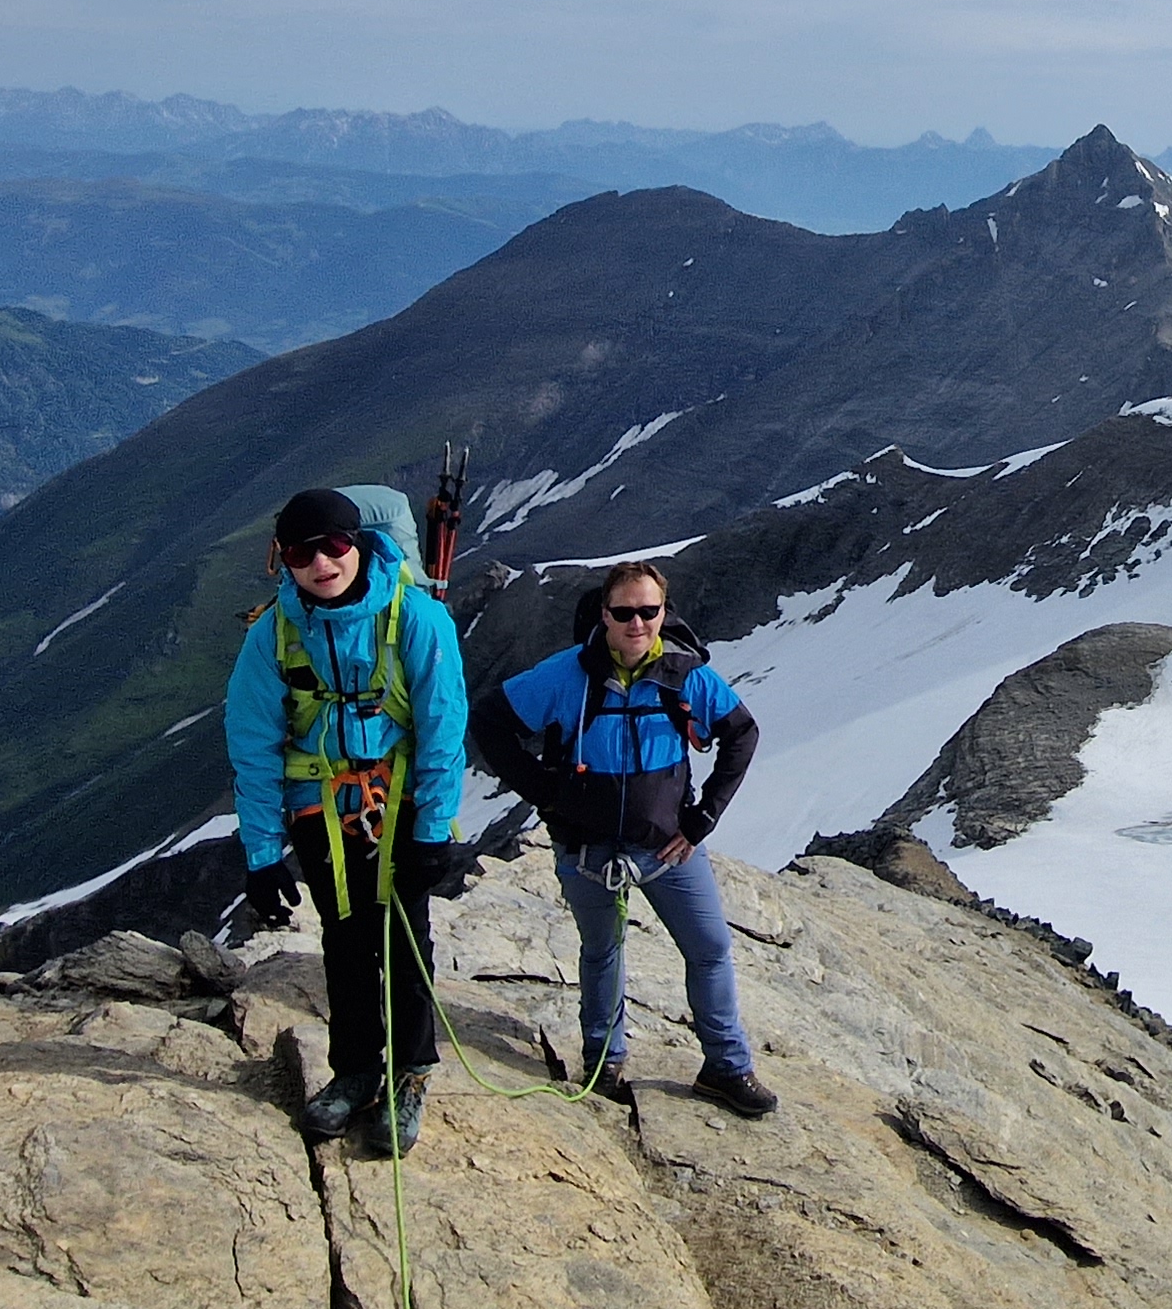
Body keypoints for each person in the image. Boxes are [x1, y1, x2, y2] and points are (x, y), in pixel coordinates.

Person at [469, 559, 776, 1117]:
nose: (637, 624)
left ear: (664, 612)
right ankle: (604, 1059)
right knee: (604, 949)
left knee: (709, 948)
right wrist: (544, 790)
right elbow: (490, 720)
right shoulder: (568, 676)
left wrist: (702, 819)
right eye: (624, 612)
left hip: (666, 848)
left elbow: (742, 735)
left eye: (649, 611)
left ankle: (726, 1066)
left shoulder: (687, 676)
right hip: (589, 850)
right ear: (603, 615)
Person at [225, 485, 469, 1158]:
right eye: (302, 553)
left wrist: (432, 829)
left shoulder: (414, 617)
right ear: (284, 560)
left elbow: (444, 726)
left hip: (397, 807)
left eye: (334, 546)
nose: (321, 563)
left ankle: (411, 1073)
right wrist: (262, 852)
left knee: (404, 937)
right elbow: (251, 740)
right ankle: (358, 1069)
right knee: (345, 937)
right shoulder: (274, 631)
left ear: (357, 542)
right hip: (322, 810)